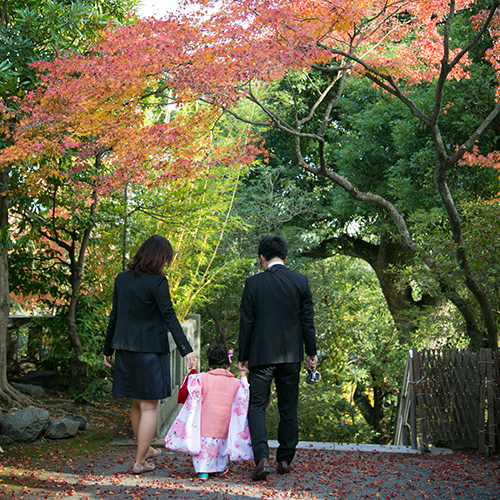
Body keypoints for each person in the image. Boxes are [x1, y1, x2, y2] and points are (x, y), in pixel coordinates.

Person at [103, 235, 198, 474]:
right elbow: (169, 317)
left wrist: (107, 349)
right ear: (159, 257)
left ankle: (145, 450)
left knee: (136, 403)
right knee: (149, 407)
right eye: (166, 259)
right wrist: (187, 350)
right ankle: (139, 462)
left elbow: (114, 316)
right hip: (150, 352)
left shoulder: (122, 279)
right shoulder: (158, 282)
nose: (166, 264)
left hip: (125, 350)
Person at [238, 235, 318, 481]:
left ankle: (261, 459)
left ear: (262, 258)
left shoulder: (253, 284)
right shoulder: (300, 281)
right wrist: (311, 353)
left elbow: (246, 323)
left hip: (260, 355)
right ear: (285, 257)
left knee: (258, 406)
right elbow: (308, 322)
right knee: (288, 407)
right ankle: (284, 459)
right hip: (291, 355)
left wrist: (243, 357)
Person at [165, 342, 253, 479]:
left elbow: (189, 389)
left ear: (210, 366)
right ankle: (219, 468)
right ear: (228, 366)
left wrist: (193, 368)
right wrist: (243, 374)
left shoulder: (202, 378)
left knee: (205, 448)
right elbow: (244, 395)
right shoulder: (235, 383)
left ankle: (203, 471)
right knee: (220, 448)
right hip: (224, 425)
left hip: (205, 424)